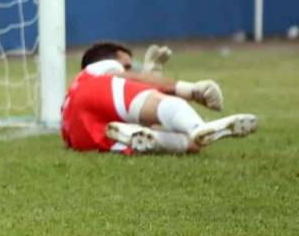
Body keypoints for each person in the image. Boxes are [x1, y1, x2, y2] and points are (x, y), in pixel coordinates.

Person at [61, 42, 258, 155]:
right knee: (166, 104)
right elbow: (126, 79)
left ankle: (153, 140)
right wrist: (190, 90)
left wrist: (152, 75)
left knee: (190, 144)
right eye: (127, 65)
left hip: (85, 137)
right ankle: (197, 126)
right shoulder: (97, 71)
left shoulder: (70, 101)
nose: (131, 70)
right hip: (96, 93)